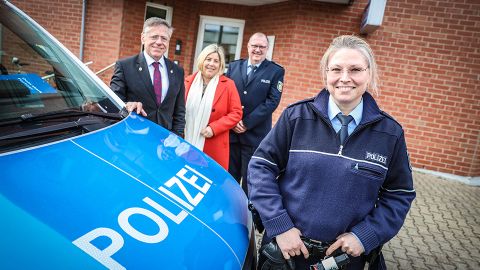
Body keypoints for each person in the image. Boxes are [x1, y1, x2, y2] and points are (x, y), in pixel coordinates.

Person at [248, 35, 416, 270]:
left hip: (344, 261)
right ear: (326, 74)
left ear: (369, 74)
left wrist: (365, 235)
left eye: (355, 69)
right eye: (336, 69)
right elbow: (260, 167)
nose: (345, 78)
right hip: (286, 253)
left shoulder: (390, 134)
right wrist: (280, 225)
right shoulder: (296, 117)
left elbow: (399, 194)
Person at [226, 32, 285, 194]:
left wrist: (246, 123)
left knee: (249, 180)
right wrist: (234, 120)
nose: (257, 50)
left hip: (254, 135)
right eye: (254, 46)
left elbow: (272, 101)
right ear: (248, 46)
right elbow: (225, 95)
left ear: (267, 49)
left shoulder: (275, 71)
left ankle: (246, 215)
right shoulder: (233, 67)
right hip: (231, 133)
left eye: (262, 47)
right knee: (229, 179)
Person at [110, 17, 185, 137]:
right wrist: (128, 105)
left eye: (164, 38)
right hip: (133, 139)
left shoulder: (177, 71)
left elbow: (179, 111)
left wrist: (177, 137)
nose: (159, 42)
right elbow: (113, 104)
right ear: (143, 38)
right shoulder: (125, 66)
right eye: (154, 37)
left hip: (165, 141)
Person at [184, 44, 242, 170]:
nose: (211, 64)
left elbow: (236, 113)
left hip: (213, 144)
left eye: (216, 61)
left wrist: (213, 128)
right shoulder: (187, 81)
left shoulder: (228, 85)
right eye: (208, 59)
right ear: (202, 60)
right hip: (186, 141)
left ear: (221, 65)